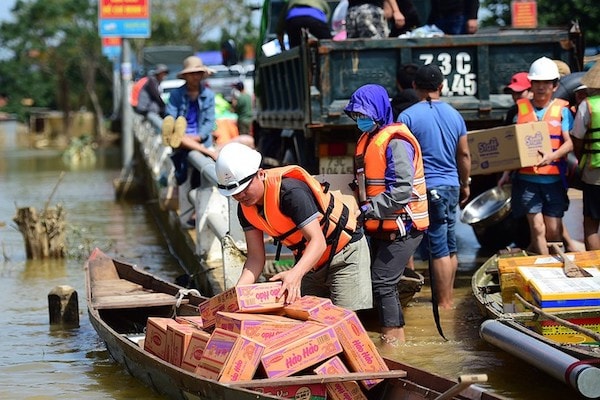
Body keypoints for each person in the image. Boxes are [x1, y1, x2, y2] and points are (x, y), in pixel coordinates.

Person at [215, 142, 373, 311]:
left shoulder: (290, 193)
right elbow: (255, 258)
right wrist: (237, 295)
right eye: (234, 193)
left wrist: (294, 275)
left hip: (344, 254)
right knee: (309, 321)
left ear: (260, 174)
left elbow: (317, 241)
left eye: (245, 188)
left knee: (345, 321)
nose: (240, 196)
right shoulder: (245, 209)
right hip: (310, 262)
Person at [344, 84, 428, 345]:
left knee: (382, 282)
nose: (360, 120)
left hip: (405, 224)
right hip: (380, 224)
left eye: (364, 114)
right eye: (356, 115)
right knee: (377, 281)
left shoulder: (396, 142)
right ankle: (388, 338)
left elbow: (402, 190)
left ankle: (395, 344)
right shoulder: (367, 140)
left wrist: (369, 209)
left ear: (379, 111)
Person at [398, 63, 471, 310]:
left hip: (427, 189)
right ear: (441, 86)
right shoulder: (455, 115)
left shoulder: (407, 117)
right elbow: (464, 155)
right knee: (450, 245)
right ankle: (448, 301)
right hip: (451, 185)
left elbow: (403, 159)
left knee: (438, 247)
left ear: (415, 86)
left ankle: (444, 305)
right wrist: (465, 183)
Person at [497, 57, 574, 255]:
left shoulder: (563, 111)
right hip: (526, 180)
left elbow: (570, 142)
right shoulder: (520, 110)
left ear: (555, 86)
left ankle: (556, 263)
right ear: (531, 85)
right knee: (537, 228)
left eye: (546, 83)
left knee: (553, 229)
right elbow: (513, 144)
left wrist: (553, 155)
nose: (541, 87)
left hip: (553, 179)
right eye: (537, 83)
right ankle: (545, 267)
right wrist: (506, 173)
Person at [162, 55, 218, 163]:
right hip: (181, 138)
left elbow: (209, 121)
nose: (196, 77)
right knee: (177, 137)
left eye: (199, 73)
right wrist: (185, 138)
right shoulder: (176, 95)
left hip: (202, 140)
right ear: (186, 76)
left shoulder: (209, 95)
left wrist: (197, 138)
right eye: (192, 74)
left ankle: (208, 151)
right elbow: (170, 117)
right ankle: (210, 153)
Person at [571, 61, 600, 250]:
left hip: (594, 173)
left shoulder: (587, 106)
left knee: (591, 223)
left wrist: (581, 159)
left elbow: (577, 139)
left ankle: (596, 268)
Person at [137, 64, 169, 131]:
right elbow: (156, 97)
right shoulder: (151, 82)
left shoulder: (156, 82)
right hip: (147, 110)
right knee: (163, 128)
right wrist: (164, 107)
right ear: (158, 73)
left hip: (151, 110)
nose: (164, 76)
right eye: (163, 74)